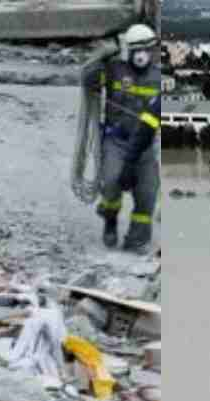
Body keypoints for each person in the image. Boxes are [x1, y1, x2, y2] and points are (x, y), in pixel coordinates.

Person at [81, 23, 161, 253]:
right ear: (128, 50)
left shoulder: (158, 77)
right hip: (116, 141)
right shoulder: (114, 69)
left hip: (145, 146)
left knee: (147, 193)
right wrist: (100, 57)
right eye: (137, 49)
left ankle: (136, 240)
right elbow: (88, 78)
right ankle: (110, 219)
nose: (142, 54)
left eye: (147, 48)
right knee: (112, 181)